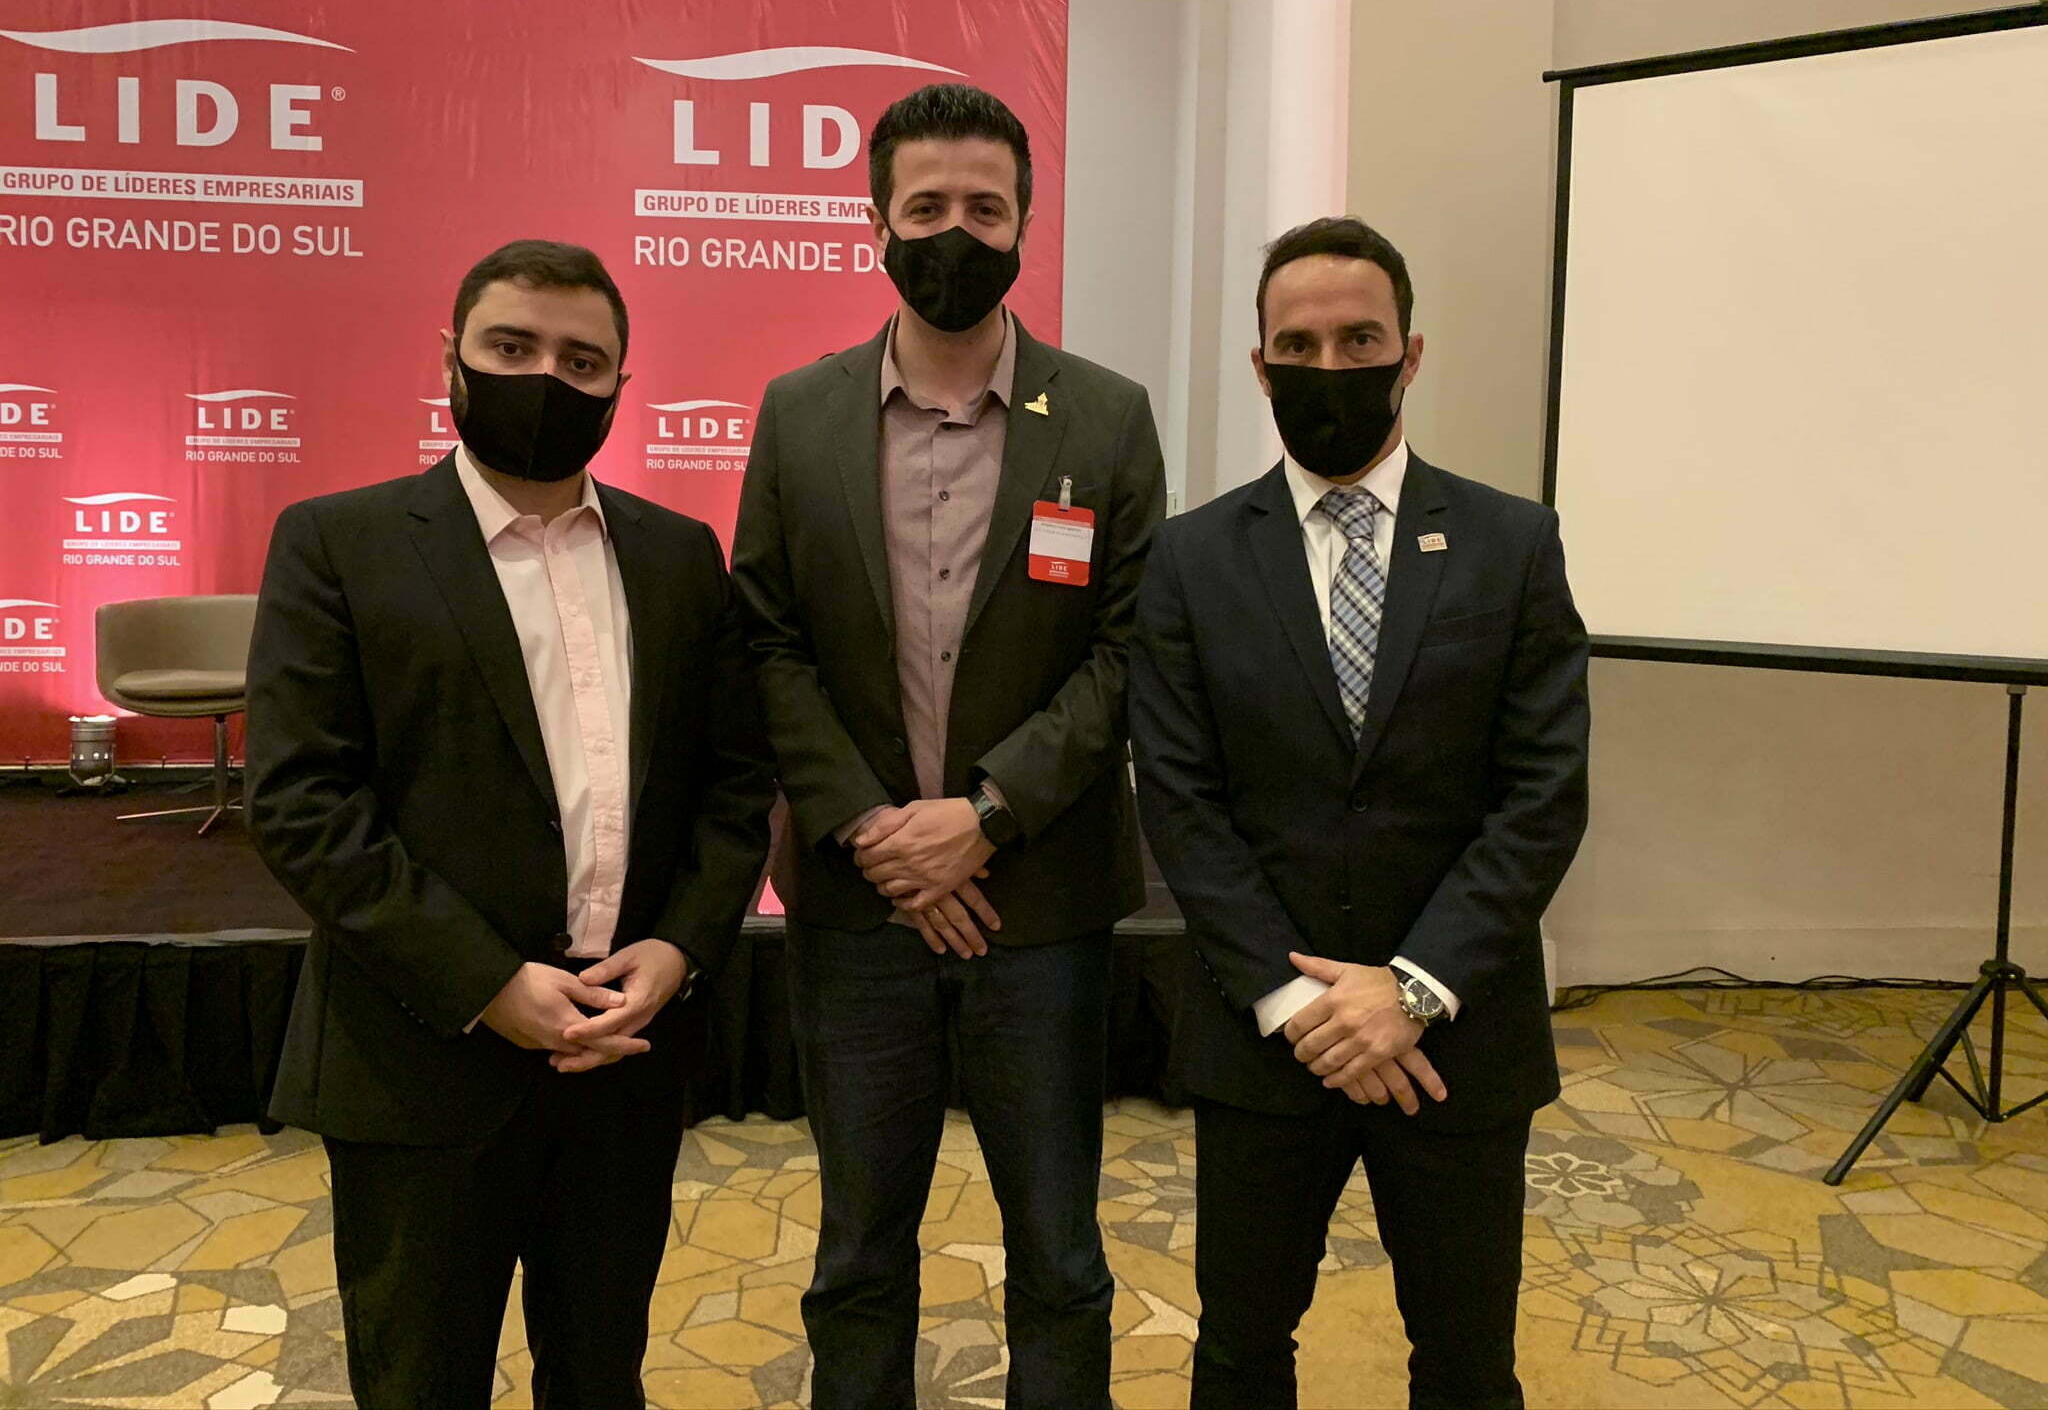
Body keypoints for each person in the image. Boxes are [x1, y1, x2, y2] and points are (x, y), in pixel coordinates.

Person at [245, 239, 775, 1409]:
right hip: (421, 1059)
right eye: (512, 347)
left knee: (601, 1377)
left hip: (624, 1058)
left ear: (621, 384)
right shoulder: (338, 543)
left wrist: (680, 947)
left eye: (581, 361)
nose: (546, 378)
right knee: (419, 1382)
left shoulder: (679, 556)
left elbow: (733, 786)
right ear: (452, 357)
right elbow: (301, 803)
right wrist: (487, 983)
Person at [731, 83, 1166, 1410]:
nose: (955, 233)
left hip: (1040, 903)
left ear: (1026, 223)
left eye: (985, 207)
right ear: (875, 224)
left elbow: (1128, 651)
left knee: (1060, 1255)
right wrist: (879, 832)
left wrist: (981, 818)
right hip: (856, 906)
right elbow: (765, 640)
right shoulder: (797, 412)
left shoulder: (1106, 416)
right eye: (926, 207)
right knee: (859, 1252)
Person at [1130, 217, 1590, 1409]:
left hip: (1455, 1038)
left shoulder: (1510, 543)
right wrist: (1301, 1006)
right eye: (1297, 344)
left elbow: (1542, 792)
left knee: (1465, 1361)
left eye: (1357, 340)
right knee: (1239, 1350)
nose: (1326, 366)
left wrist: (1411, 988)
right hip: (1265, 1035)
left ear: (1409, 354)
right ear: (1258, 364)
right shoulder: (1188, 559)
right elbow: (1178, 798)